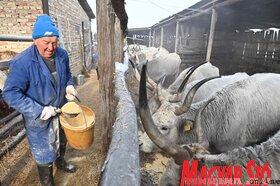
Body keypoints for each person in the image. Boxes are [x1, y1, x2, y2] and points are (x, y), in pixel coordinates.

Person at [3, 15, 78, 186]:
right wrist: (39, 110)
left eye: (54, 42)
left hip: (61, 110)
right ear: (35, 40)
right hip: (39, 118)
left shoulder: (62, 55)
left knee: (62, 140)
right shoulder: (22, 62)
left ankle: (61, 162)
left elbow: (67, 75)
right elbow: (10, 93)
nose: (51, 47)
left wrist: (69, 86)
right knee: (44, 151)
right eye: (46, 42)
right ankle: (47, 181)